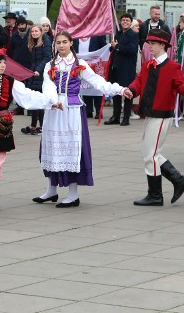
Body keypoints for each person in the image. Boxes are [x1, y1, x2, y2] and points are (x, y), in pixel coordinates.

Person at [35, 31, 125, 207]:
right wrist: (53, 100)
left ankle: (73, 194)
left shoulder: (79, 64)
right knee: (52, 147)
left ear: (71, 44)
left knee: (72, 150)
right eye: (58, 42)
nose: (61, 45)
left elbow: (97, 81)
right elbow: (47, 85)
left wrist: (119, 90)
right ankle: (51, 190)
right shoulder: (50, 64)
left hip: (72, 110)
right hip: (54, 110)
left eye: (64, 42)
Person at [0, 48, 56, 214]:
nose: (3, 65)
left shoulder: (11, 82)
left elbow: (28, 96)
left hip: (0, 127)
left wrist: (50, 102)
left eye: (4, 62)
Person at [124, 29, 184, 207]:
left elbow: (180, 85)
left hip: (162, 115)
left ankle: (155, 195)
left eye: (153, 44)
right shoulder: (148, 64)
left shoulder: (172, 67)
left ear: (163, 45)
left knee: (150, 155)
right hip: (150, 114)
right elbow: (139, 81)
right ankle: (179, 180)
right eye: (149, 44)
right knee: (151, 153)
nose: (150, 47)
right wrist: (131, 90)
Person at [106, 13, 138, 126]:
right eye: (123, 20)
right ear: (120, 22)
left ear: (130, 22)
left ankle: (126, 118)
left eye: (127, 20)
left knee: (127, 93)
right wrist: (112, 46)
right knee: (116, 92)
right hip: (116, 68)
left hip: (127, 69)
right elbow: (113, 49)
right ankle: (115, 116)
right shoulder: (118, 34)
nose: (125, 22)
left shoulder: (133, 35)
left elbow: (132, 50)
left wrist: (117, 47)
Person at [22, 25, 52, 135]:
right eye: (32, 31)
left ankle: (42, 126)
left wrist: (39, 70)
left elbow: (47, 58)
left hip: (41, 74)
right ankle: (34, 125)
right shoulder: (33, 42)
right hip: (34, 74)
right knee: (34, 100)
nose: (34, 33)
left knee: (39, 101)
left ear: (41, 31)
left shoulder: (45, 41)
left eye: (36, 31)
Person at [74, 35, 108, 119]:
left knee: (96, 86)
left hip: (95, 64)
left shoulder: (98, 35)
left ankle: (98, 110)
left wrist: (108, 47)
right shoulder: (76, 36)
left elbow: (103, 48)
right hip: (81, 64)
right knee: (85, 86)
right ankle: (88, 110)